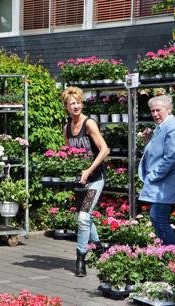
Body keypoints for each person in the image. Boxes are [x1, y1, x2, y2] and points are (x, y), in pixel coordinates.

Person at [61, 86, 109, 277]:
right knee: (85, 215)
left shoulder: (89, 124)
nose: (76, 106)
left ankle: (81, 258)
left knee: (82, 217)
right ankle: (98, 247)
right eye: (72, 103)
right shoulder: (66, 127)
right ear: (66, 106)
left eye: (78, 102)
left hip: (95, 178)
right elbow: (68, 154)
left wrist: (88, 170)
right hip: (80, 181)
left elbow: (105, 149)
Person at [138, 95, 175, 246]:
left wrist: (153, 175)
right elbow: (155, 151)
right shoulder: (162, 126)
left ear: (169, 109)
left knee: (158, 218)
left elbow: (171, 156)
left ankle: (173, 254)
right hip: (160, 183)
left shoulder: (173, 127)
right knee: (157, 218)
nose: (155, 114)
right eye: (152, 111)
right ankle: (169, 252)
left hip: (165, 183)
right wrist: (147, 141)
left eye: (158, 110)